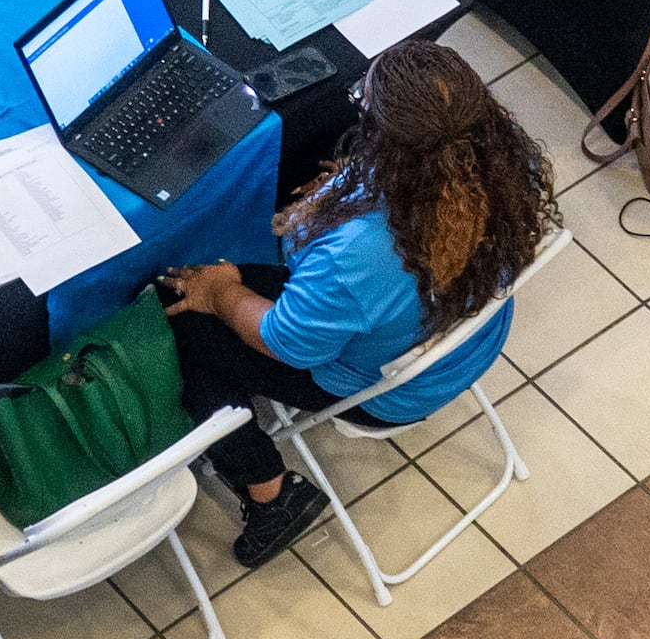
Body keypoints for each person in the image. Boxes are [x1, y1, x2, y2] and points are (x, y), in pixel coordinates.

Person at [158, 43, 561, 567]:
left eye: (362, 104)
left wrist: (219, 293)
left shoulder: (359, 257)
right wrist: (344, 191)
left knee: (182, 313)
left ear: (389, 144)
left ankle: (272, 495)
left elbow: (283, 343)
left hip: (383, 389)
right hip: (466, 341)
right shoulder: (510, 164)